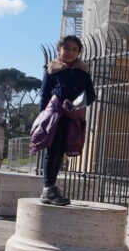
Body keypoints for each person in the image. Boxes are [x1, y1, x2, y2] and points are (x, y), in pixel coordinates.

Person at [34, 35, 95, 206]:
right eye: (66, 48)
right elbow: (44, 95)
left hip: (72, 117)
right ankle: (47, 188)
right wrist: (41, 118)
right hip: (54, 115)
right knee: (52, 151)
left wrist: (80, 103)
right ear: (59, 49)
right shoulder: (52, 69)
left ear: (79, 52)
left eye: (74, 49)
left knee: (61, 152)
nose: (70, 52)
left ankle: (52, 188)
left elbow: (91, 94)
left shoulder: (83, 71)